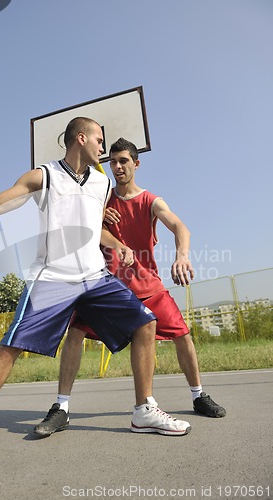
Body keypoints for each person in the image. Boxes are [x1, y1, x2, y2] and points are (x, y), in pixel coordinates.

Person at [0, 119, 191, 471]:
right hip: (52, 276)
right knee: (11, 346)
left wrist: (119, 245)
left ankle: (144, 410)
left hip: (93, 276)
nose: (103, 148)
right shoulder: (44, 176)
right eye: (99, 140)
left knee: (145, 323)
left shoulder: (101, 183)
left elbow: (92, 228)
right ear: (80, 139)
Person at [34, 137, 226, 438]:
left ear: (136, 164)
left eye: (124, 161)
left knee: (183, 335)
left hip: (148, 284)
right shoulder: (101, 197)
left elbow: (179, 226)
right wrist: (99, 216)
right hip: (109, 286)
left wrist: (182, 255)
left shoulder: (151, 200)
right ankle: (62, 407)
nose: (118, 166)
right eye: (113, 161)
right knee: (75, 333)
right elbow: (77, 226)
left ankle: (198, 395)